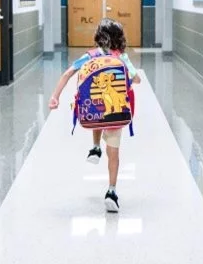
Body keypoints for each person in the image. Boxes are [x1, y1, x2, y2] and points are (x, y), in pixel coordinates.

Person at [49, 18, 140, 212]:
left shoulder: (89, 56)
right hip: (116, 112)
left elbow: (67, 74)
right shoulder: (121, 57)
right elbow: (137, 79)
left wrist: (54, 97)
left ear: (98, 37)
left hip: (93, 111)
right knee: (114, 152)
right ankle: (112, 191)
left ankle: (95, 147)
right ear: (120, 39)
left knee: (96, 112)